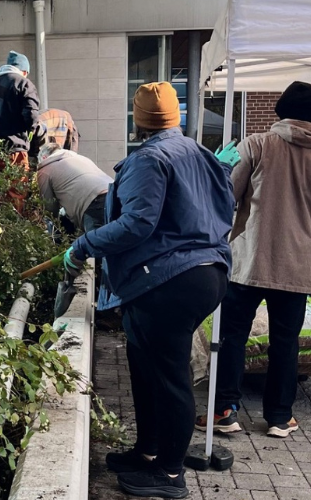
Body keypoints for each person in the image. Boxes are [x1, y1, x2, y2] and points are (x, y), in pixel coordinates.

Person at [61, 82, 233, 498]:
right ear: (175, 116)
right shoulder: (202, 154)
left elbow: (138, 223)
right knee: (146, 367)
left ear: (137, 120)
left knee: (169, 375)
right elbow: (226, 206)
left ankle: (171, 474)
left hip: (170, 279)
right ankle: (148, 451)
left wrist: (83, 245)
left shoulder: (149, 159)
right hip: (203, 273)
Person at [197, 81, 311, 438]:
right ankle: (280, 417)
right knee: (286, 341)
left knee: (232, 335)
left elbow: (226, 196)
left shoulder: (257, 145)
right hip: (298, 266)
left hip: (249, 260)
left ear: (280, 110)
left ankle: (225, 411)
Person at [0, 50, 42, 173]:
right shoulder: (24, 83)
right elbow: (31, 114)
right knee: (15, 190)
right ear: (25, 71)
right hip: (13, 149)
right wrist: (33, 131)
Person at [35, 141, 111, 234]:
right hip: (115, 195)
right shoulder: (81, 158)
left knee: (97, 245)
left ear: (44, 158)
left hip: (93, 204)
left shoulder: (45, 169)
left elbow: (49, 208)